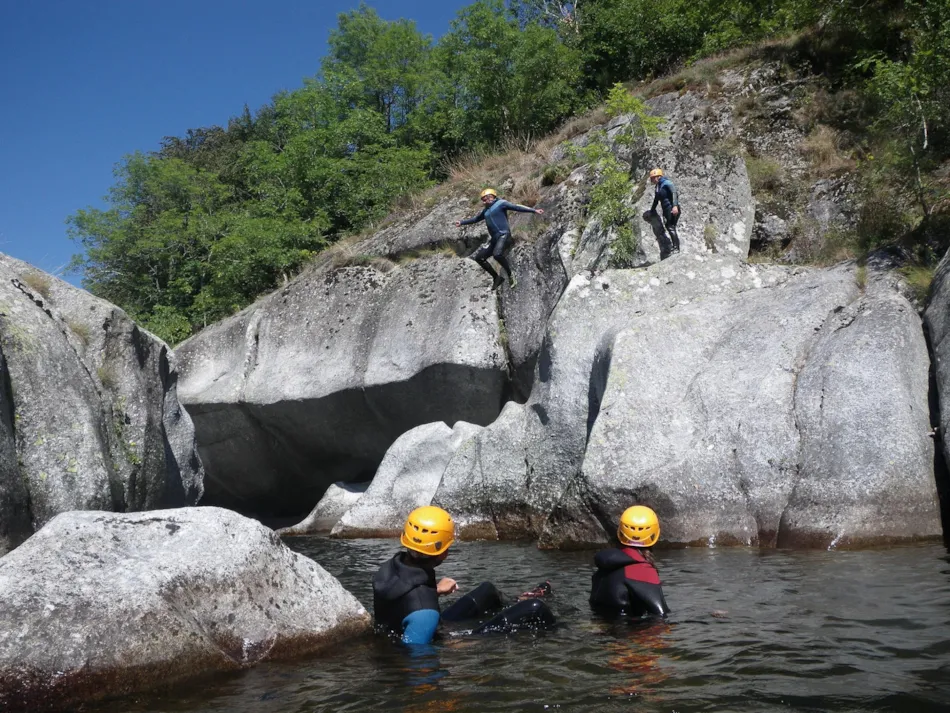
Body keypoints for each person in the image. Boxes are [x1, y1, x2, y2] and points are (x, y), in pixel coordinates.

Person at [373, 506, 555, 645]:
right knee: (535, 608)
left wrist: (433, 591)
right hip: (434, 636)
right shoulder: (424, 612)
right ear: (443, 552)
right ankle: (569, 630)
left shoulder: (390, 568)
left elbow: (401, 603)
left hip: (424, 625)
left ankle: (517, 600)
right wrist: (458, 646)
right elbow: (415, 657)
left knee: (487, 590)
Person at [454, 188, 544, 290]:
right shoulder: (486, 211)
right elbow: (475, 219)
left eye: (487, 197)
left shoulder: (501, 203)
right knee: (479, 258)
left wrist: (533, 210)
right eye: (483, 199)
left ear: (493, 196)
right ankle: (497, 278)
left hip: (504, 234)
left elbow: (516, 207)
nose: (485, 200)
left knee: (497, 254)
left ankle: (510, 275)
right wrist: (462, 222)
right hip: (495, 239)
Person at [589, 505, 670, 618]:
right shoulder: (641, 571)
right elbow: (661, 615)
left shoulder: (605, 563)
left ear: (620, 532)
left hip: (599, 628)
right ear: (654, 534)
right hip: (624, 633)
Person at [649, 168, 681, 256]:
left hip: (671, 207)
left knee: (670, 227)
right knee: (670, 226)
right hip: (666, 209)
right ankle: (675, 247)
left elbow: (674, 193)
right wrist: (652, 210)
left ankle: (676, 248)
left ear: (658, 177)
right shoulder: (658, 187)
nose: (652, 180)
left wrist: (675, 206)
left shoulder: (667, 183)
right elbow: (656, 200)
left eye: (653, 178)